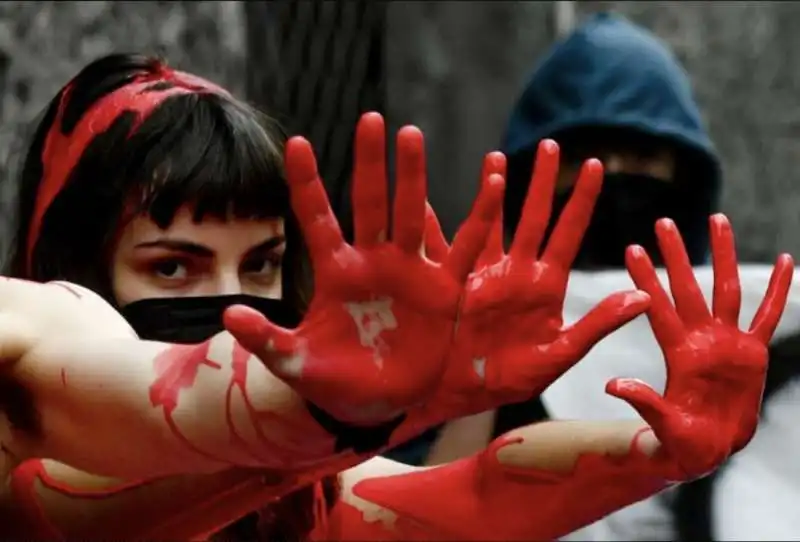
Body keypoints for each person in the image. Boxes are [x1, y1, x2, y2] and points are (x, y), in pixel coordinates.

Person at [0, 52, 791, 541]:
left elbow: (474, 494)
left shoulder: (296, 498)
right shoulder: (30, 336)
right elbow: (140, 412)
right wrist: (362, 407)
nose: (230, 301)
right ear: (71, 264)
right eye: (173, 267)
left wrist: (659, 455)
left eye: (264, 263)